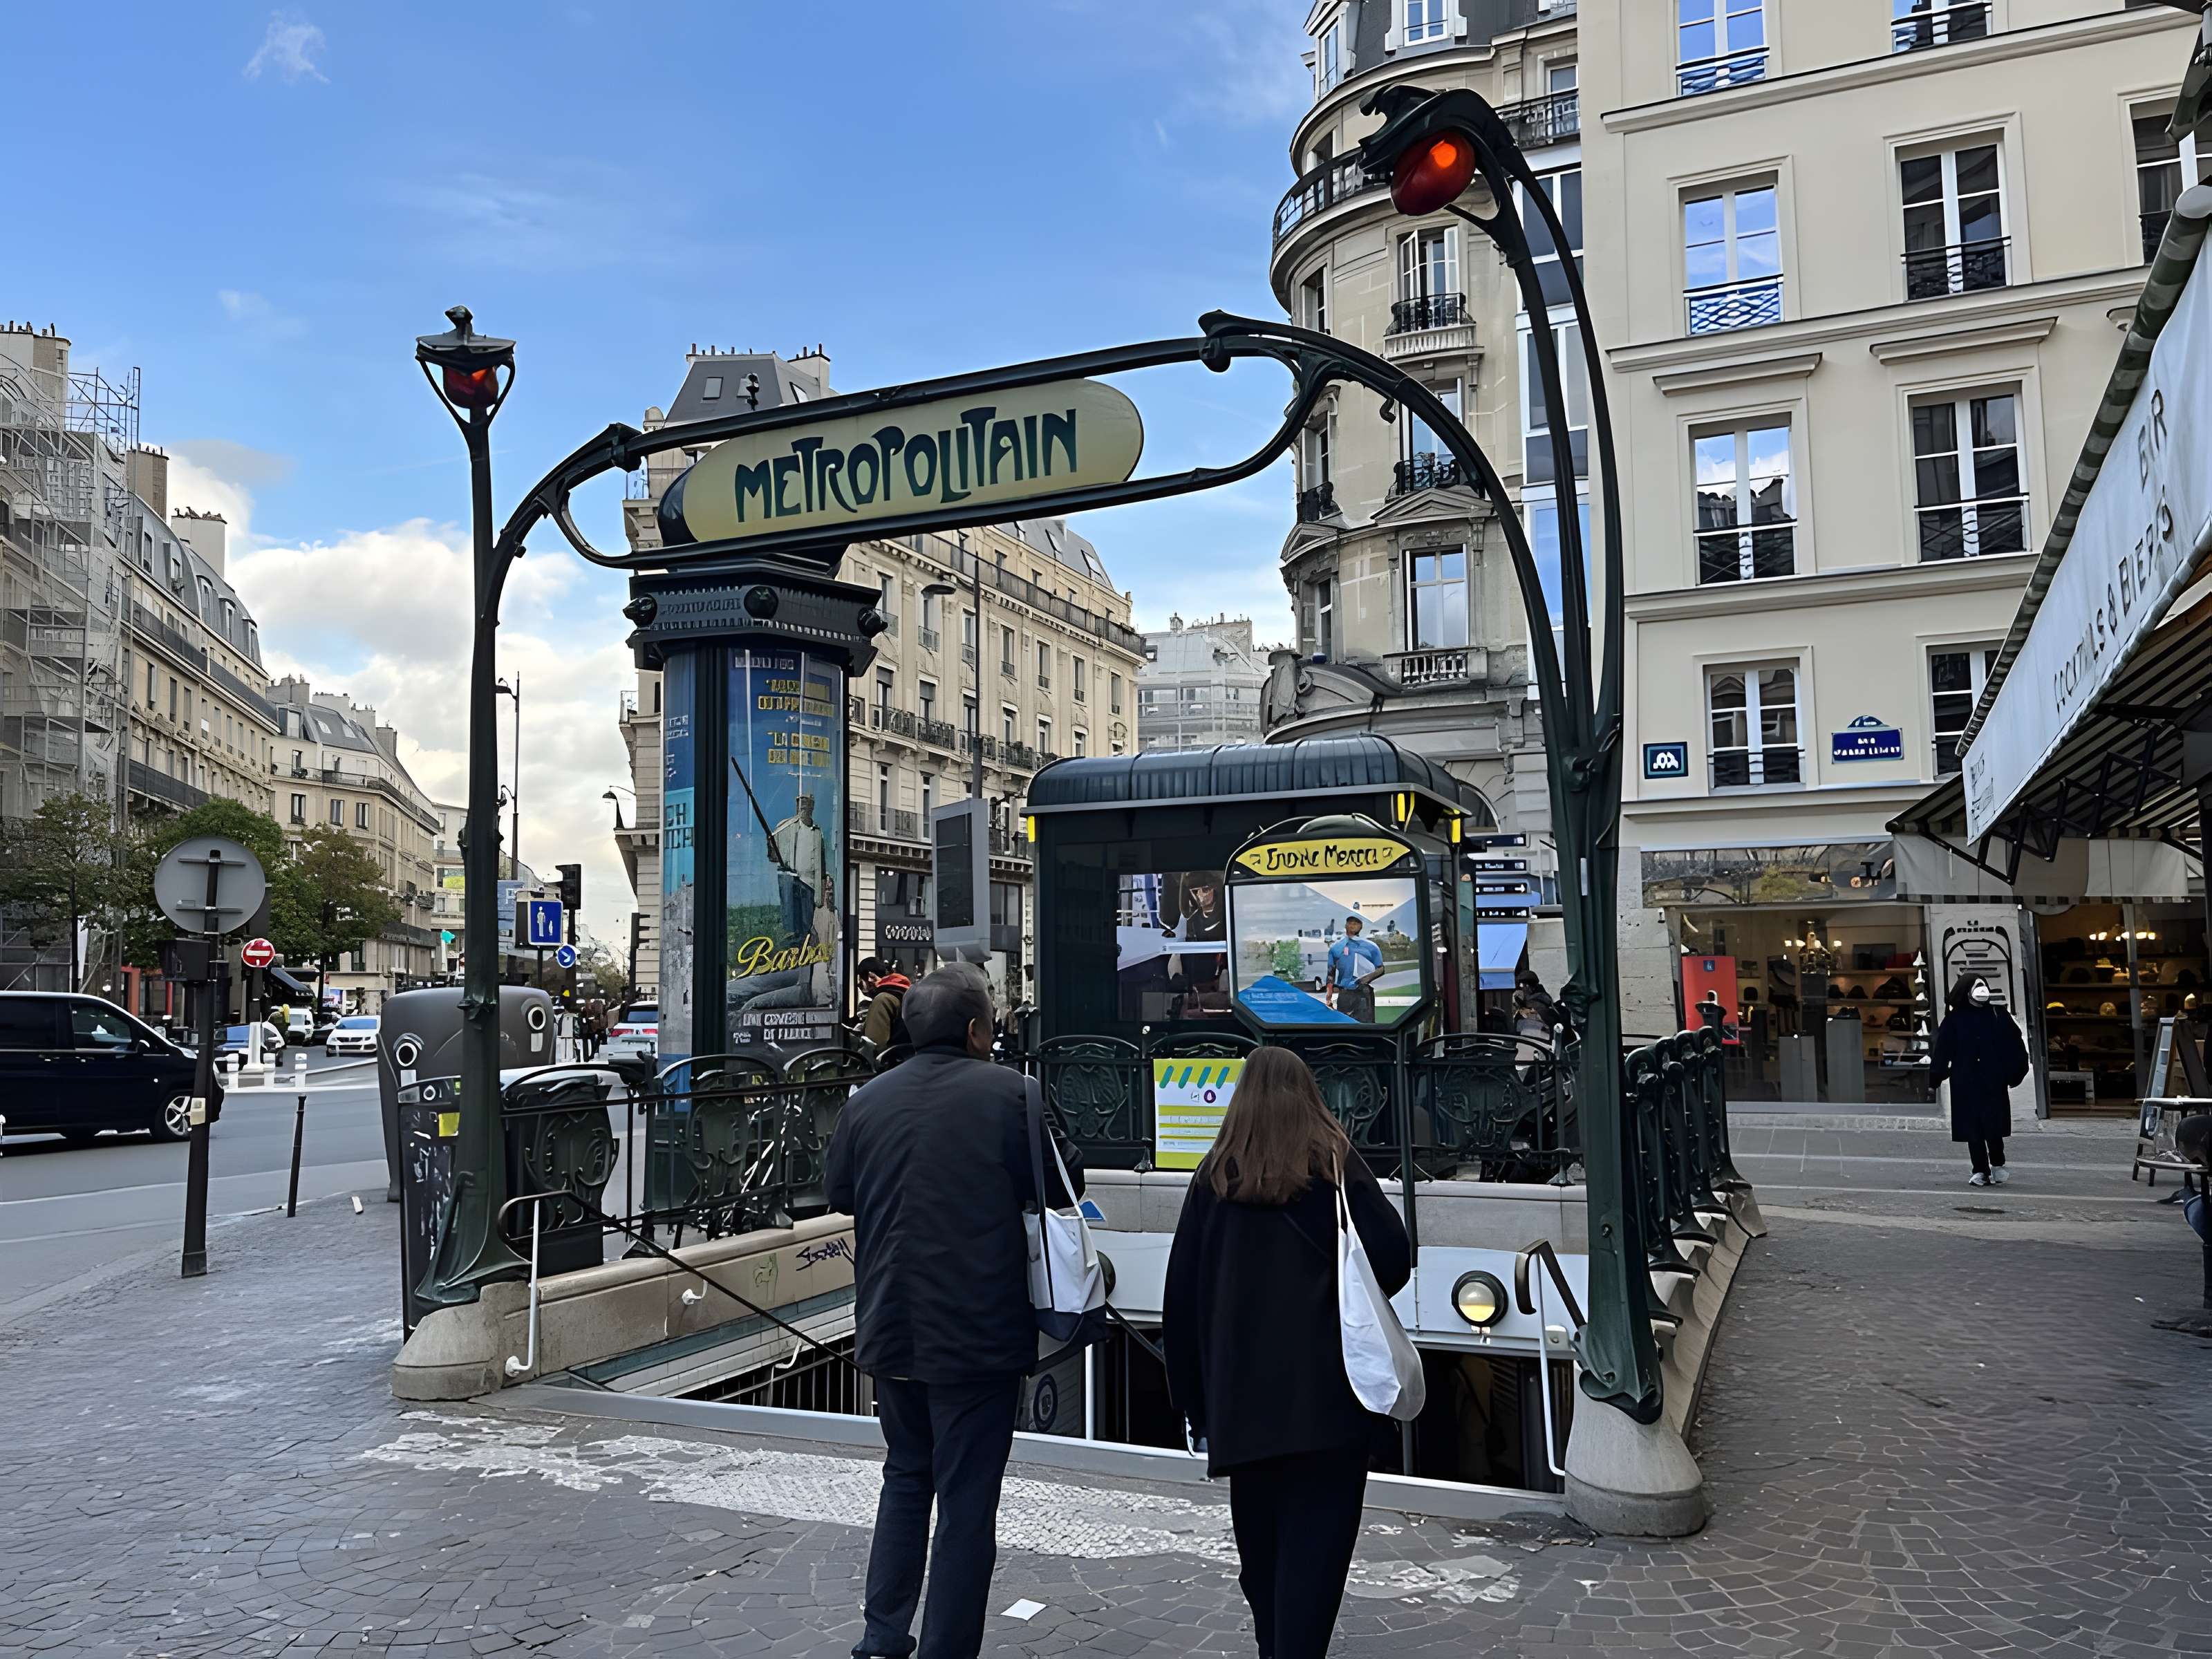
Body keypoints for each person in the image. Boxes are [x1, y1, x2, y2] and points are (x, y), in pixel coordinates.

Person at [825, 967, 1084, 1659]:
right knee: (967, 1504)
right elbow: (1065, 1184)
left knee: (905, 1478)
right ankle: (947, 1648)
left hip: (889, 1322)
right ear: (977, 1031)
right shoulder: (1013, 1095)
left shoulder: (867, 1102)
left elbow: (840, 1193)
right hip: (978, 1333)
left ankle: (882, 1637)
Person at [1162, 1047, 1410, 1659]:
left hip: (1244, 1413)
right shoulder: (1336, 1167)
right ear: (1309, 1096)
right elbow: (1395, 1258)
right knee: (1316, 1561)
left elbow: (1180, 1299)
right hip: (1330, 1408)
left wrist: (1196, 1404)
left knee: (1262, 1558)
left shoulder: (1214, 1177)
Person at [1929, 974, 2030, 1186]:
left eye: (1984, 985)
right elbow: (1943, 1051)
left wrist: (2015, 1073)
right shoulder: (1955, 1019)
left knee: (1993, 1125)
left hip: (1993, 1080)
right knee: (1972, 1128)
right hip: (1965, 1081)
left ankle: (1998, 1162)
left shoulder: (1998, 1014)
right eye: (1977, 986)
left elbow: (2016, 1046)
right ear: (1967, 991)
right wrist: (1935, 1077)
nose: (1982, 990)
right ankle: (1980, 1170)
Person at [1324, 915, 1385, 1023]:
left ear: (1360, 927)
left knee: (1366, 1027)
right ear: (1346, 925)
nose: (1353, 926)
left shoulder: (1371, 947)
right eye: (1350, 923)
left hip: (1364, 993)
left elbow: (1380, 969)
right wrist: (1329, 994)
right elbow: (1331, 973)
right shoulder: (1336, 948)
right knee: (1344, 1026)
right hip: (1345, 994)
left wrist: (1365, 979)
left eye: (1356, 923)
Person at [855, 957, 912, 1051]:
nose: (862, 988)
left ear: (871, 977)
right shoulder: (900, 992)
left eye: (861, 983)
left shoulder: (882, 999)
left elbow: (873, 1045)